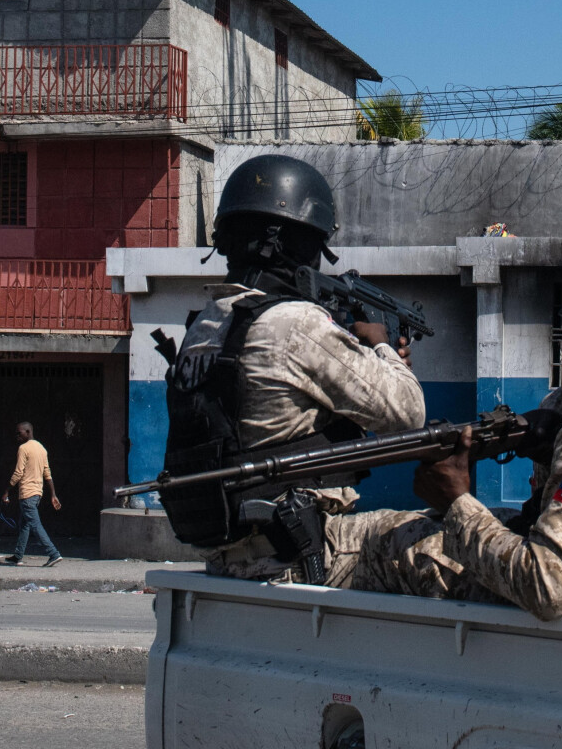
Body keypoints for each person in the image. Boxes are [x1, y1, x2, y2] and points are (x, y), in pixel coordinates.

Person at [359, 245, 562, 620]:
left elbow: (547, 585)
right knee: (464, 519)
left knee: (384, 538)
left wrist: (455, 502)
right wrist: (548, 448)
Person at [159, 154, 429, 586]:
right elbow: (407, 412)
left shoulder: (206, 324)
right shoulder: (297, 325)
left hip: (228, 555)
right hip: (299, 553)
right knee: (439, 539)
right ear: (295, 244)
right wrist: (380, 343)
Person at [4, 420, 62, 568]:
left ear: (28, 432)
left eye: (19, 433)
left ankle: (53, 553)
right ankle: (18, 556)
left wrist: (6, 491)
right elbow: (47, 473)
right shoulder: (42, 449)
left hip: (27, 494)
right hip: (37, 494)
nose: (17, 436)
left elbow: (18, 472)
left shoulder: (23, 448)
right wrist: (53, 494)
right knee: (24, 525)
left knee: (35, 525)